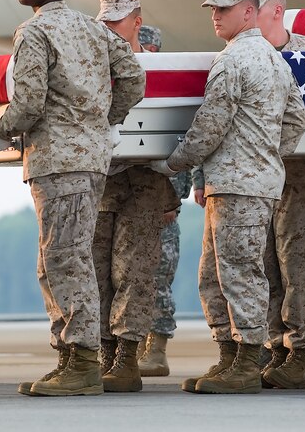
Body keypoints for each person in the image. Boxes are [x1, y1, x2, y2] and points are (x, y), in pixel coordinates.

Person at [0, 0, 146, 397]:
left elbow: (29, 100)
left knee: (63, 257)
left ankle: (80, 362)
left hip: (57, 159)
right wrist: (105, 120)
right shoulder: (92, 30)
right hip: (89, 159)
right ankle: (70, 358)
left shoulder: (35, 30)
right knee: (62, 255)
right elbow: (134, 78)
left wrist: (0, 131)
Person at [151, 0, 305, 395]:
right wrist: (269, 155)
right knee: (216, 274)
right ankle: (230, 357)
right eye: (213, 8)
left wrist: (171, 163)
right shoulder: (274, 59)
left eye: (224, 8)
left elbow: (209, 126)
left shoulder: (234, 60)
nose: (215, 14)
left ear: (249, 11)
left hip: (238, 184)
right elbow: (296, 119)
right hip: (248, 183)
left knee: (238, 272)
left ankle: (246, 360)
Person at [92, 0, 181, 392]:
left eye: (117, 22)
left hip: (145, 183)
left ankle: (128, 356)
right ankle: (103, 355)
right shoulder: (91, 65)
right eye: (105, 22)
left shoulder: (155, 65)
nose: (109, 29)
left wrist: (173, 192)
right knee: (96, 273)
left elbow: (178, 128)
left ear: (136, 21)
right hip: (103, 181)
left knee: (136, 272)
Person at [255, 0, 305, 389]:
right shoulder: (245, 53)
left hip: (299, 179)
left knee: (296, 264)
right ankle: (273, 347)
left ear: (275, 10)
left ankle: (298, 351)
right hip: (258, 177)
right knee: (263, 265)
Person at [135, 24, 192, 378]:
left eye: (149, 50)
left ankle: (156, 350)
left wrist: (177, 196)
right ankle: (129, 346)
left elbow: (189, 141)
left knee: (158, 278)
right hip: (128, 200)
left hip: (163, 205)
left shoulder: (170, 89)